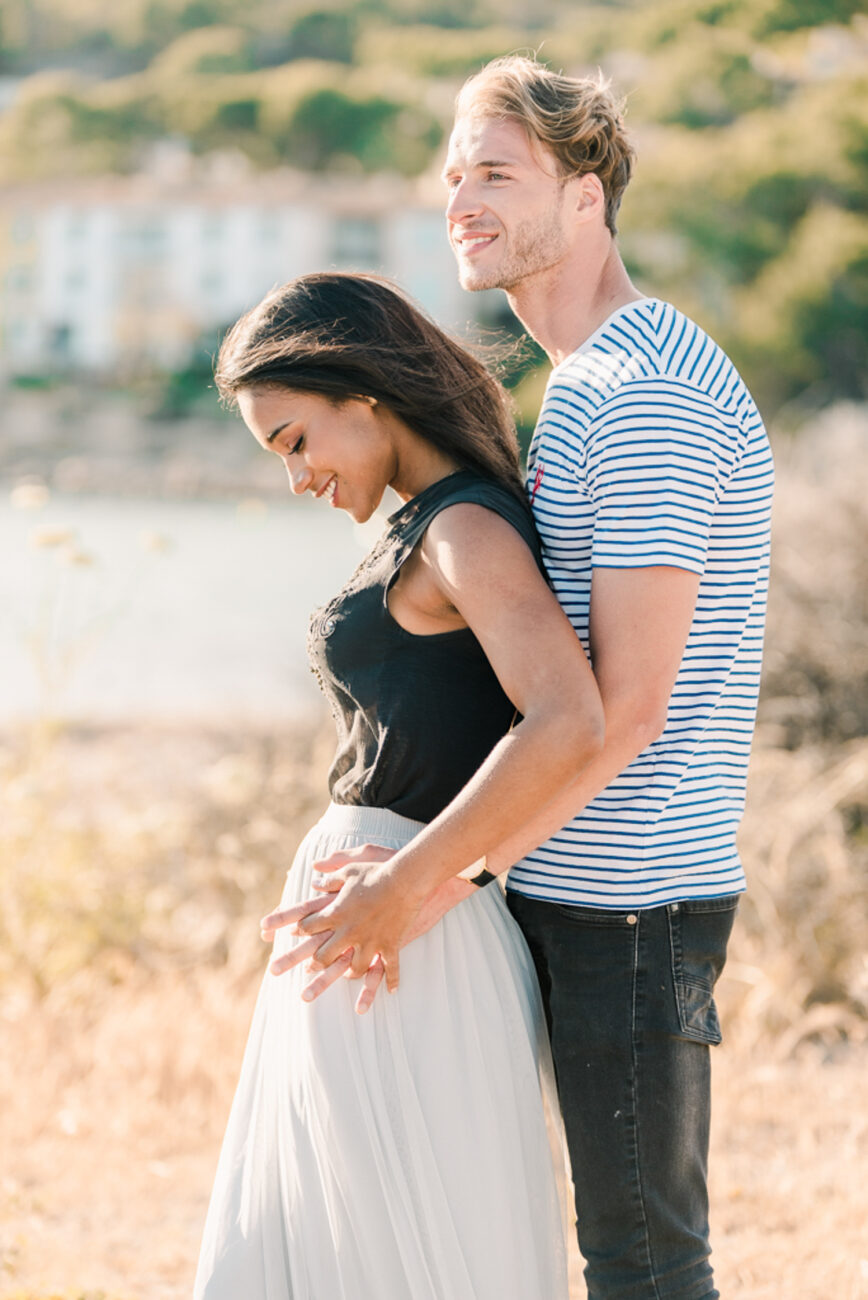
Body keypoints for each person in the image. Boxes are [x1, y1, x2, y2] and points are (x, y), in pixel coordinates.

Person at [280, 56, 774, 1300]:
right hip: (577, 888)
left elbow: (630, 705)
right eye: (453, 177)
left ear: (588, 192)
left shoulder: (646, 389)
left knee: (647, 1264)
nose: (463, 200)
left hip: (632, 901)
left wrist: (426, 878)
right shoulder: (593, 383)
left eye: (496, 172)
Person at [193, 270, 605, 1298]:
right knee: (337, 1238)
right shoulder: (430, 521)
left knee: (401, 1246)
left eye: (295, 441)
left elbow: (569, 719)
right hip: (379, 919)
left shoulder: (464, 528)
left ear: (362, 393)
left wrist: (407, 886)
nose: (297, 477)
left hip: (405, 928)